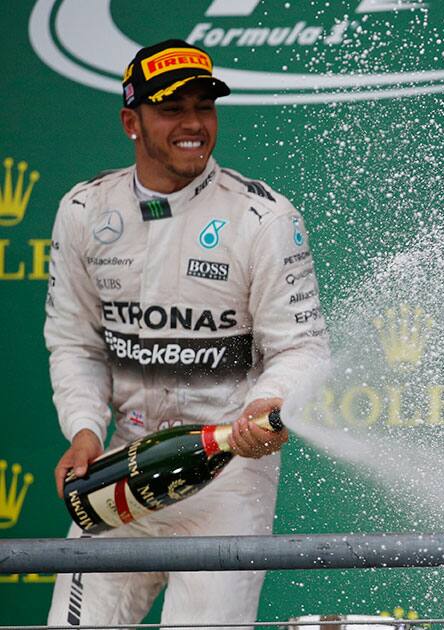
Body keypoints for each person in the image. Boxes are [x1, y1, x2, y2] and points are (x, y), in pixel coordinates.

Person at [44, 39, 329, 627]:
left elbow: (300, 347)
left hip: (228, 479)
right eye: (172, 109)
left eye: (205, 107)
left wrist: (264, 406)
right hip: (121, 468)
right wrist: (82, 430)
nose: (193, 124)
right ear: (132, 121)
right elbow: (75, 342)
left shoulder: (265, 220)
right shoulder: (83, 210)